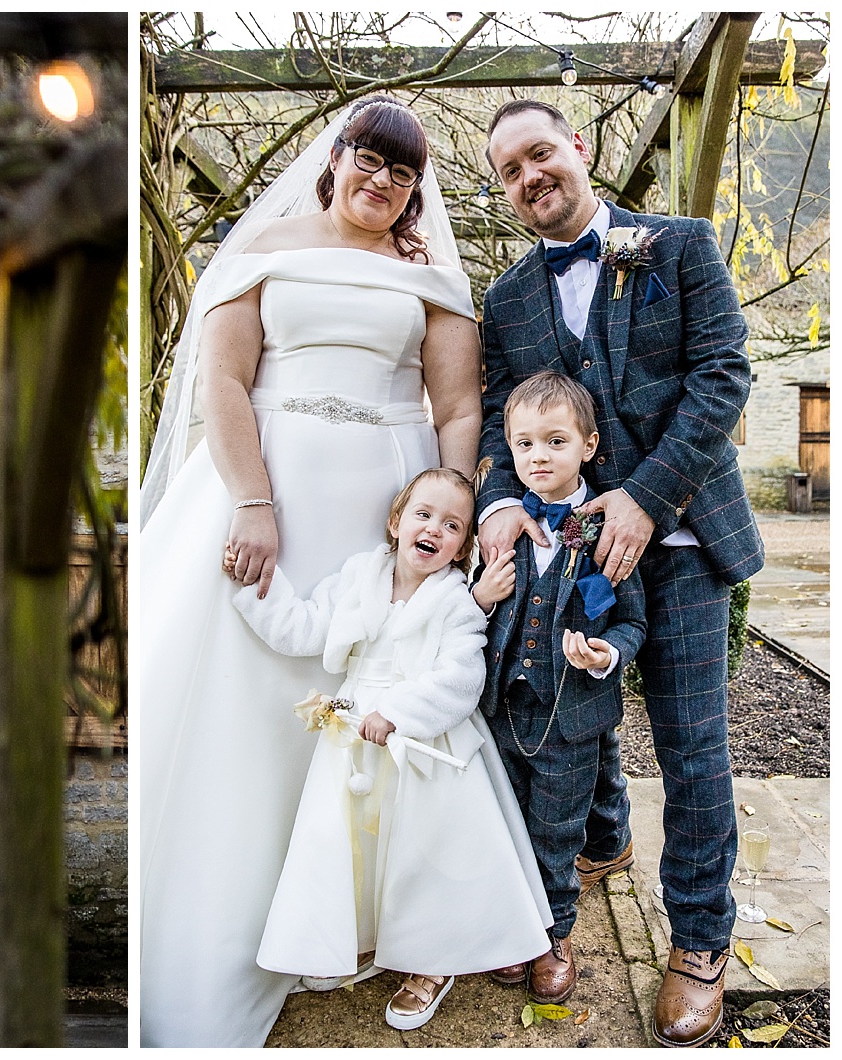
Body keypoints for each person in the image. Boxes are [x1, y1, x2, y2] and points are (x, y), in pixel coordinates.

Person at [134, 97, 482, 1047]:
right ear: (335, 158)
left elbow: (454, 411)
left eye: (404, 174)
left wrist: (446, 510)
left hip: (382, 503)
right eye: (370, 160)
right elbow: (224, 382)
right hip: (270, 492)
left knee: (363, 681)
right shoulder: (264, 250)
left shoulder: (430, 279)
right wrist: (253, 499)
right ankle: (231, 918)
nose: (383, 181)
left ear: (416, 192)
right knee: (248, 697)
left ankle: (350, 913)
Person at [476, 99, 760, 1048]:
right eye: (509, 170)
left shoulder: (678, 246)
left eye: (541, 153)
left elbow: (723, 375)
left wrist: (644, 497)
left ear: (580, 149)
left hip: (679, 548)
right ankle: (603, 841)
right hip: (560, 559)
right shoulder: (508, 298)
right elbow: (490, 415)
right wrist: (497, 505)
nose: (529, 178)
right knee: (560, 711)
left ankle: (701, 944)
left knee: (688, 748)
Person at [231, 468, 552, 1032]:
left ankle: (432, 961)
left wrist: (399, 713)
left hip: (424, 742)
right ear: (396, 521)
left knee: (424, 852)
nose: (434, 529)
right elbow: (306, 627)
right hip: (353, 736)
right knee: (354, 843)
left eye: (453, 525)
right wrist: (254, 587)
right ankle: (359, 937)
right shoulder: (361, 576)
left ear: (464, 546)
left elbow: (460, 678)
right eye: (423, 514)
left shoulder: (456, 602)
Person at [475, 372, 650, 1015]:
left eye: (554, 441)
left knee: (554, 830)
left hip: (572, 719)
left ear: (589, 444)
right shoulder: (503, 526)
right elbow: (479, 615)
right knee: (507, 822)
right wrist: (476, 596)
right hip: (503, 713)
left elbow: (632, 621)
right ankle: (512, 926)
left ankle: (553, 936)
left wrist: (609, 655)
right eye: (524, 444)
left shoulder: (608, 528)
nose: (538, 457)